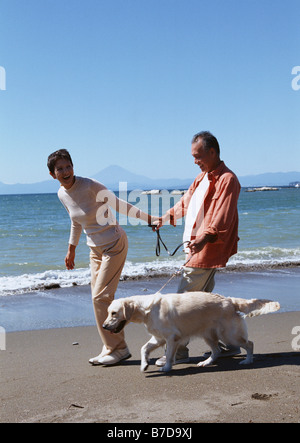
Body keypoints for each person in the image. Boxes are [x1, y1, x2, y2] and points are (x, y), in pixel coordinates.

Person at [47, 149, 156, 366]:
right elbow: (76, 221)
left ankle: (119, 348)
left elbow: (119, 205)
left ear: (73, 167)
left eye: (68, 166)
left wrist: (148, 219)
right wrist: (71, 249)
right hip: (94, 250)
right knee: (97, 301)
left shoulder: (90, 185)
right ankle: (110, 347)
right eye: (60, 169)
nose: (66, 171)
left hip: (114, 244)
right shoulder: (62, 194)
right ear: (53, 174)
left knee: (100, 297)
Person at [154, 131, 241, 367]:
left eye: (198, 156)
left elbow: (222, 216)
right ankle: (228, 345)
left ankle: (179, 352)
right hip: (196, 247)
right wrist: (164, 218)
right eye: (193, 156)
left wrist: (203, 239)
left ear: (212, 152)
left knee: (182, 304)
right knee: (204, 303)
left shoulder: (227, 179)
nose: (195, 161)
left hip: (205, 250)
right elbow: (185, 203)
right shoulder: (201, 177)